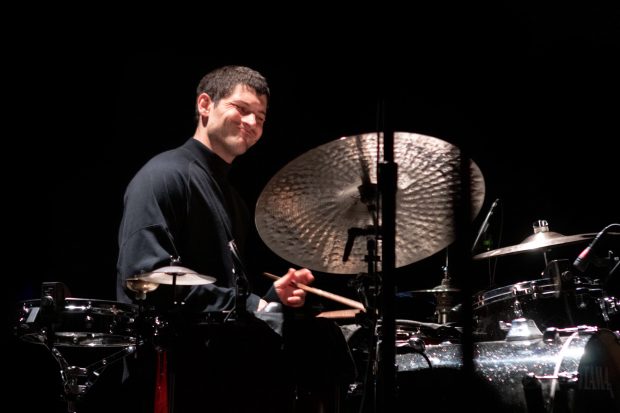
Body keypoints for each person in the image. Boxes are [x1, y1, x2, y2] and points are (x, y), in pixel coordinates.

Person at [115, 65, 323, 413]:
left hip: (220, 375)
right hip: (172, 376)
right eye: (241, 108)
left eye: (260, 117)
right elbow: (147, 280)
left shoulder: (233, 199)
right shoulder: (163, 176)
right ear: (205, 104)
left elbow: (223, 290)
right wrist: (253, 306)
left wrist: (271, 298)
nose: (252, 122)